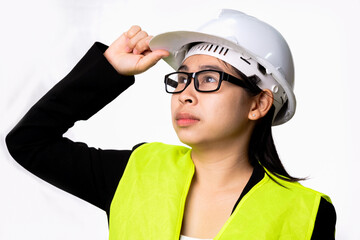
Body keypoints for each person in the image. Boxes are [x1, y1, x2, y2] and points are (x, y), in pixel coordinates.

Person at [6, 9, 336, 239]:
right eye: (181, 78)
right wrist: (109, 69)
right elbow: (28, 142)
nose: (185, 94)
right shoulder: (135, 172)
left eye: (209, 78)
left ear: (259, 103)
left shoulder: (307, 213)